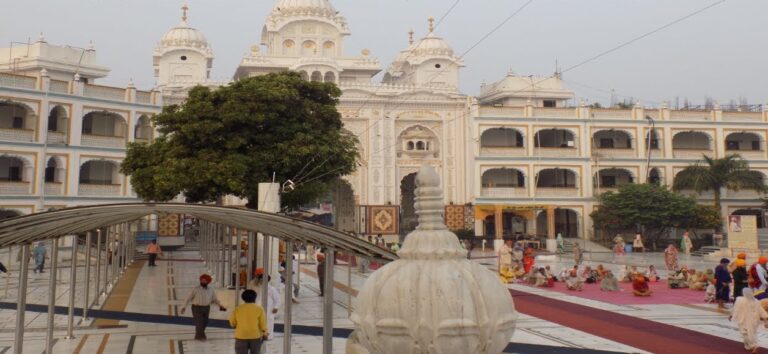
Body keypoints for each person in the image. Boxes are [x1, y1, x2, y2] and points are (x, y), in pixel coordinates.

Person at [181, 274, 226, 340]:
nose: (202, 282)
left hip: (206, 308)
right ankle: (200, 337)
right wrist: (184, 307)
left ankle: (198, 335)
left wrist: (220, 306)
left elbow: (215, 299)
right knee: (199, 323)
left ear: (208, 282)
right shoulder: (195, 289)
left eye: (204, 281)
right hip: (196, 308)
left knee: (204, 323)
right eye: (202, 280)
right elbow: (188, 298)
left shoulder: (211, 290)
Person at [229, 289, 269, 354]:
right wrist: (265, 334)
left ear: (243, 298)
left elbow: (232, 322)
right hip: (255, 336)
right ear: (255, 298)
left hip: (241, 336)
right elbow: (263, 324)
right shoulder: (259, 309)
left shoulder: (238, 309)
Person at [730, 288, 768, 353]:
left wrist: (731, 315)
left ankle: (754, 345)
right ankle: (747, 346)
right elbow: (762, 311)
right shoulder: (756, 301)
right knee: (752, 333)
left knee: (745, 333)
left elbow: (735, 309)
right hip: (754, 321)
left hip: (743, 320)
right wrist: (766, 321)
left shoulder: (740, 300)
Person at [248, 269, 281, 340]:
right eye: (261, 279)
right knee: (258, 322)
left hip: (269, 310)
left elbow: (278, 299)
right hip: (257, 308)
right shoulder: (255, 286)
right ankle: (258, 335)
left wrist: (276, 307)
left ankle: (268, 336)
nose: (262, 281)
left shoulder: (271, 289)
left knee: (269, 322)